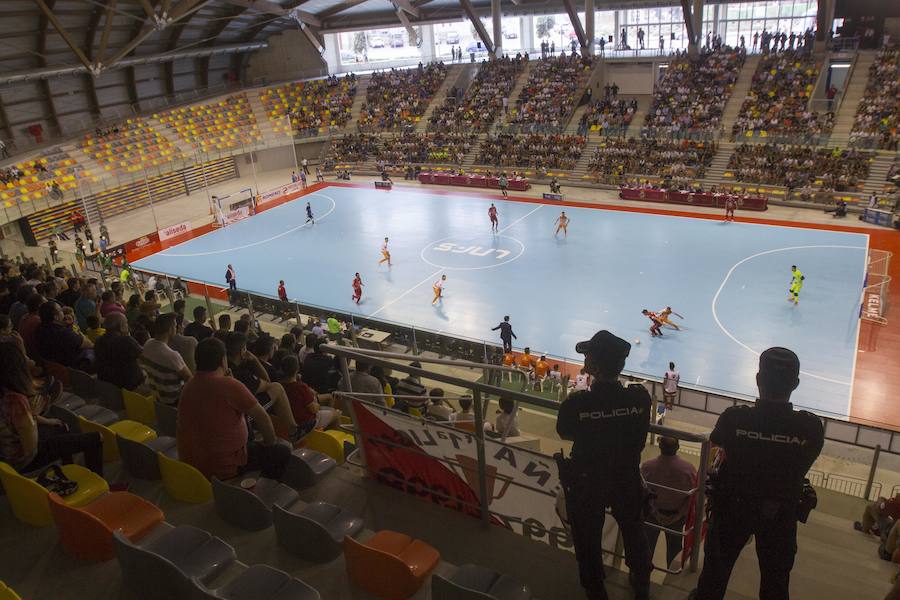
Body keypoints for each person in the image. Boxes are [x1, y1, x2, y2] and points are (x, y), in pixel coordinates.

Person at [689, 348, 824, 600]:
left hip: (732, 509)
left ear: (758, 379)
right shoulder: (811, 427)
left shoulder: (735, 418)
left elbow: (718, 441)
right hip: (781, 513)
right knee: (776, 583)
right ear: (795, 384)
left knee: (714, 576)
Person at [556, 330, 652, 600]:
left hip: (588, 480)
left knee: (587, 538)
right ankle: (642, 583)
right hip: (627, 476)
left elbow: (565, 432)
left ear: (595, 366)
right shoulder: (639, 398)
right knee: (634, 532)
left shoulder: (577, 403)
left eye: (588, 355)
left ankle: (595, 588)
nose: (584, 358)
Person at [177, 337, 291, 481]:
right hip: (223, 467)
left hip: (192, 464)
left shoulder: (189, 385)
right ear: (222, 360)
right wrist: (270, 444)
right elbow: (263, 419)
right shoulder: (229, 386)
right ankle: (264, 487)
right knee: (282, 451)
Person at [0, 341, 103, 476]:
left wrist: (46, 420)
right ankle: (98, 481)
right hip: (21, 461)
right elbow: (31, 449)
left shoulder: (6, 393)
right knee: (96, 438)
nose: (27, 359)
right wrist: (34, 415)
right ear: (16, 367)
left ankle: (69, 471)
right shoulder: (16, 400)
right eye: (24, 357)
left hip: (7, 452)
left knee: (60, 426)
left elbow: (17, 422)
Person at [641, 436, 698, 569]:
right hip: (676, 517)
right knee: (674, 550)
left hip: (652, 515)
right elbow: (692, 496)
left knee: (646, 548)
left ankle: (641, 577)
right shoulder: (688, 469)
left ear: (660, 446)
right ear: (678, 447)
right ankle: (671, 576)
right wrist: (679, 514)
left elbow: (643, 492)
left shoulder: (647, 467)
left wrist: (654, 511)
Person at [278, 354, 339, 437]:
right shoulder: (301, 387)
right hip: (306, 422)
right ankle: (332, 439)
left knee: (326, 407)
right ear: (297, 369)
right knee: (336, 414)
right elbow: (314, 409)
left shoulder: (279, 385)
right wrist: (316, 403)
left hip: (292, 419)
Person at [140, 313, 192, 405]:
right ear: (170, 329)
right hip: (174, 401)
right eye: (175, 326)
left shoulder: (147, 344)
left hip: (156, 398)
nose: (176, 328)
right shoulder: (172, 356)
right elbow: (190, 380)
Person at [94, 313, 146, 391]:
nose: (128, 325)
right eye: (126, 323)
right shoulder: (126, 340)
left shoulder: (98, 341)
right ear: (121, 326)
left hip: (107, 386)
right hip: (130, 387)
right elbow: (146, 357)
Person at [36, 301, 92, 368]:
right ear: (56, 317)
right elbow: (89, 344)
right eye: (61, 310)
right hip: (71, 368)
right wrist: (73, 326)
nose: (63, 312)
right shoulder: (63, 333)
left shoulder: (40, 329)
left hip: (52, 367)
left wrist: (68, 326)